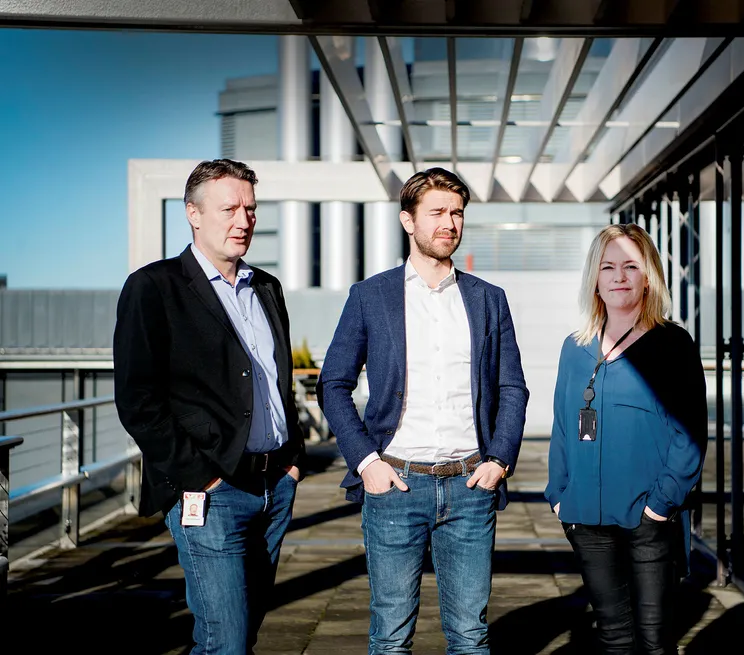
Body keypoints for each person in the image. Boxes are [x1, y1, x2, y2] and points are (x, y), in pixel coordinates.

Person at [317, 167, 529, 654]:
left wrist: (499, 460)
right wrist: (366, 463)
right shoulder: (371, 296)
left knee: (472, 637)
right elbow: (334, 384)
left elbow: (512, 387)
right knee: (390, 637)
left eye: (457, 213)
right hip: (395, 484)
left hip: (471, 486)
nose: (449, 224)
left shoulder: (488, 300)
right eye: (436, 212)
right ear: (407, 221)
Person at [113, 158, 305, 655]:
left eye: (251, 208)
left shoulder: (266, 287)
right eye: (229, 208)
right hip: (212, 491)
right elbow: (138, 399)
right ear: (193, 214)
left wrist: (293, 460)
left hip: (274, 486)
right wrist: (199, 474)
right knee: (227, 641)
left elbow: (275, 381)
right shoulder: (154, 288)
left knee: (244, 630)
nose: (244, 220)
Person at [545, 223, 707, 655]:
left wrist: (660, 506)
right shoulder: (574, 347)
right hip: (586, 520)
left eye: (631, 266)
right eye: (609, 267)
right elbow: (562, 425)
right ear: (594, 279)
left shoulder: (672, 344)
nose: (619, 276)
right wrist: (559, 494)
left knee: (655, 643)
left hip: (648, 520)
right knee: (613, 638)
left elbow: (689, 434)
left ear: (648, 276)